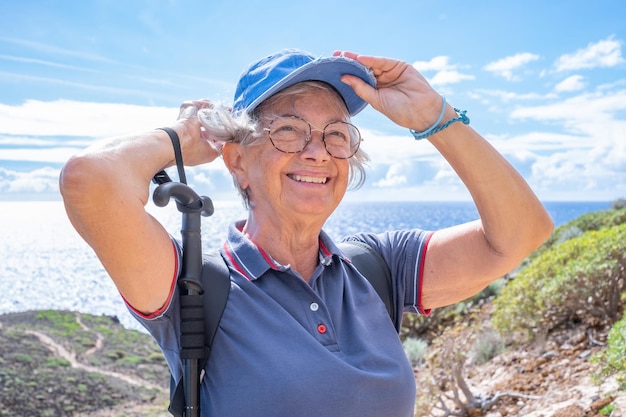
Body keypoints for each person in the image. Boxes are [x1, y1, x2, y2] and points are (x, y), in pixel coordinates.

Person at [59, 48, 553, 417]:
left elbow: (522, 232)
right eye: (289, 130)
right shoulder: (196, 288)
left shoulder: (380, 267)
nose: (317, 152)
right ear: (238, 160)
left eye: (335, 134)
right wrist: (185, 137)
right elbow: (90, 182)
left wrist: (434, 117)